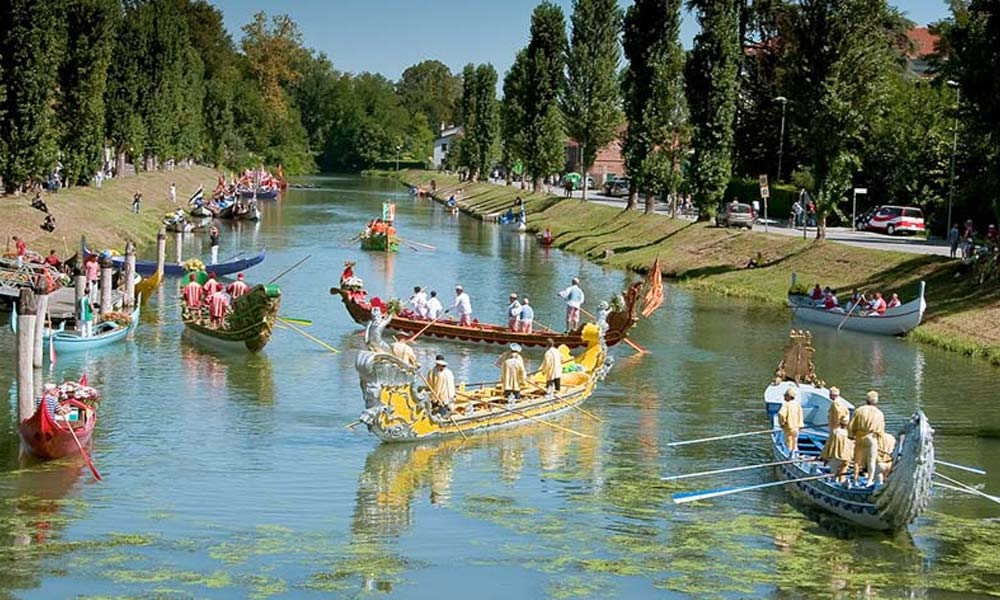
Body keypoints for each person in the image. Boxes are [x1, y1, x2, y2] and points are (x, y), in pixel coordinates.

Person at [848, 390, 886, 484]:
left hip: (860, 436)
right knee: (871, 460)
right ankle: (869, 481)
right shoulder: (879, 413)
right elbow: (881, 431)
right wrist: (880, 443)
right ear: (876, 402)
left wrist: (851, 435)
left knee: (857, 460)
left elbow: (852, 425)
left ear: (866, 400)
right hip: (872, 438)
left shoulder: (859, 410)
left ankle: (855, 479)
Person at [820, 416, 854, 483]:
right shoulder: (851, 434)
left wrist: (823, 456)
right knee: (843, 471)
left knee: (834, 471)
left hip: (837, 455)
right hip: (847, 456)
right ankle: (841, 481)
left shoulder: (835, 432)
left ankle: (834, 480)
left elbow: (828, 445)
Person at [778, 387, 805, 455]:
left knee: (789, 443)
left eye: (785, 395)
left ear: (788, 396)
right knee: (795, 442)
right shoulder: (797, 404)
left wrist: (782, 423)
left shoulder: (786, 405)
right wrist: (801, 425)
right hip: (796, 428)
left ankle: (790, 457)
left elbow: (781, 414)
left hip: (788, 428)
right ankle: (796, 454)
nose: (784, 397)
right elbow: (800, 414)